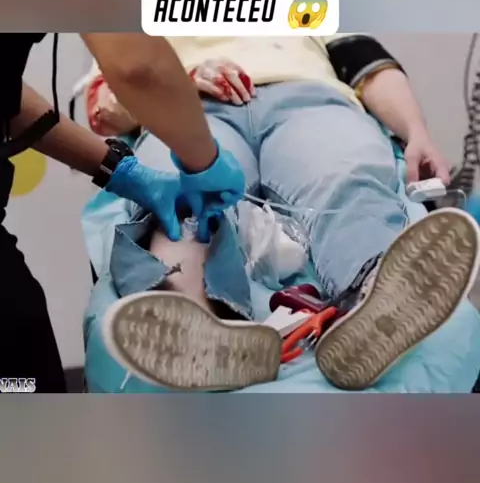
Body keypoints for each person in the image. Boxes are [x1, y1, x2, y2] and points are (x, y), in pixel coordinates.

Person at [83, 35, 480, 392]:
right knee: (180, 199)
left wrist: (416, 133)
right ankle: (193, 323)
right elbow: (110, 101)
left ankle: (376, 302)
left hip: (307, 97)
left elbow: (369, 65)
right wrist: (177, 84)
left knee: (346, 179)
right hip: (191, 106)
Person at [0, 33, 245, 392]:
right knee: (24, 385)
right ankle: (193, 317)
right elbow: (138, 65)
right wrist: (204, 162)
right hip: (194, 117)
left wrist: (119, 170)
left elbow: (6, 93)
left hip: (303, 99)